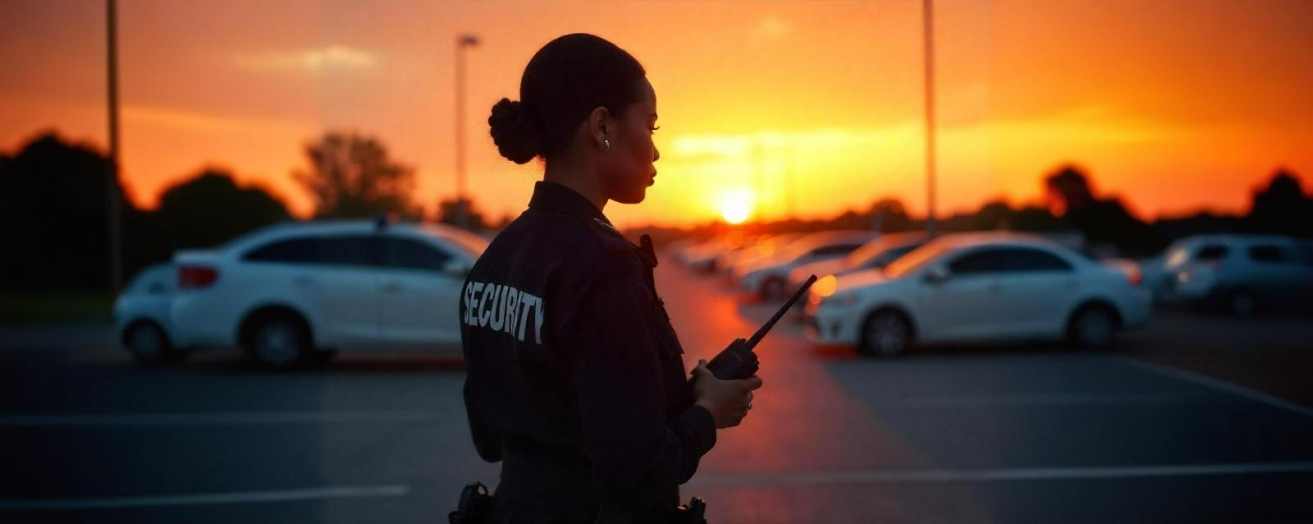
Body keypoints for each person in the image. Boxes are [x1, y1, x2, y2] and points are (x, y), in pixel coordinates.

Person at [460, 33, 763, 523]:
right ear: (602, 126)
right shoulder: (604, 267)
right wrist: (708, 415)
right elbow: (640, 475)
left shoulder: (495, 259)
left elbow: (490, 438)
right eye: (651, 124)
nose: (657, 151)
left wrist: (684, 399)